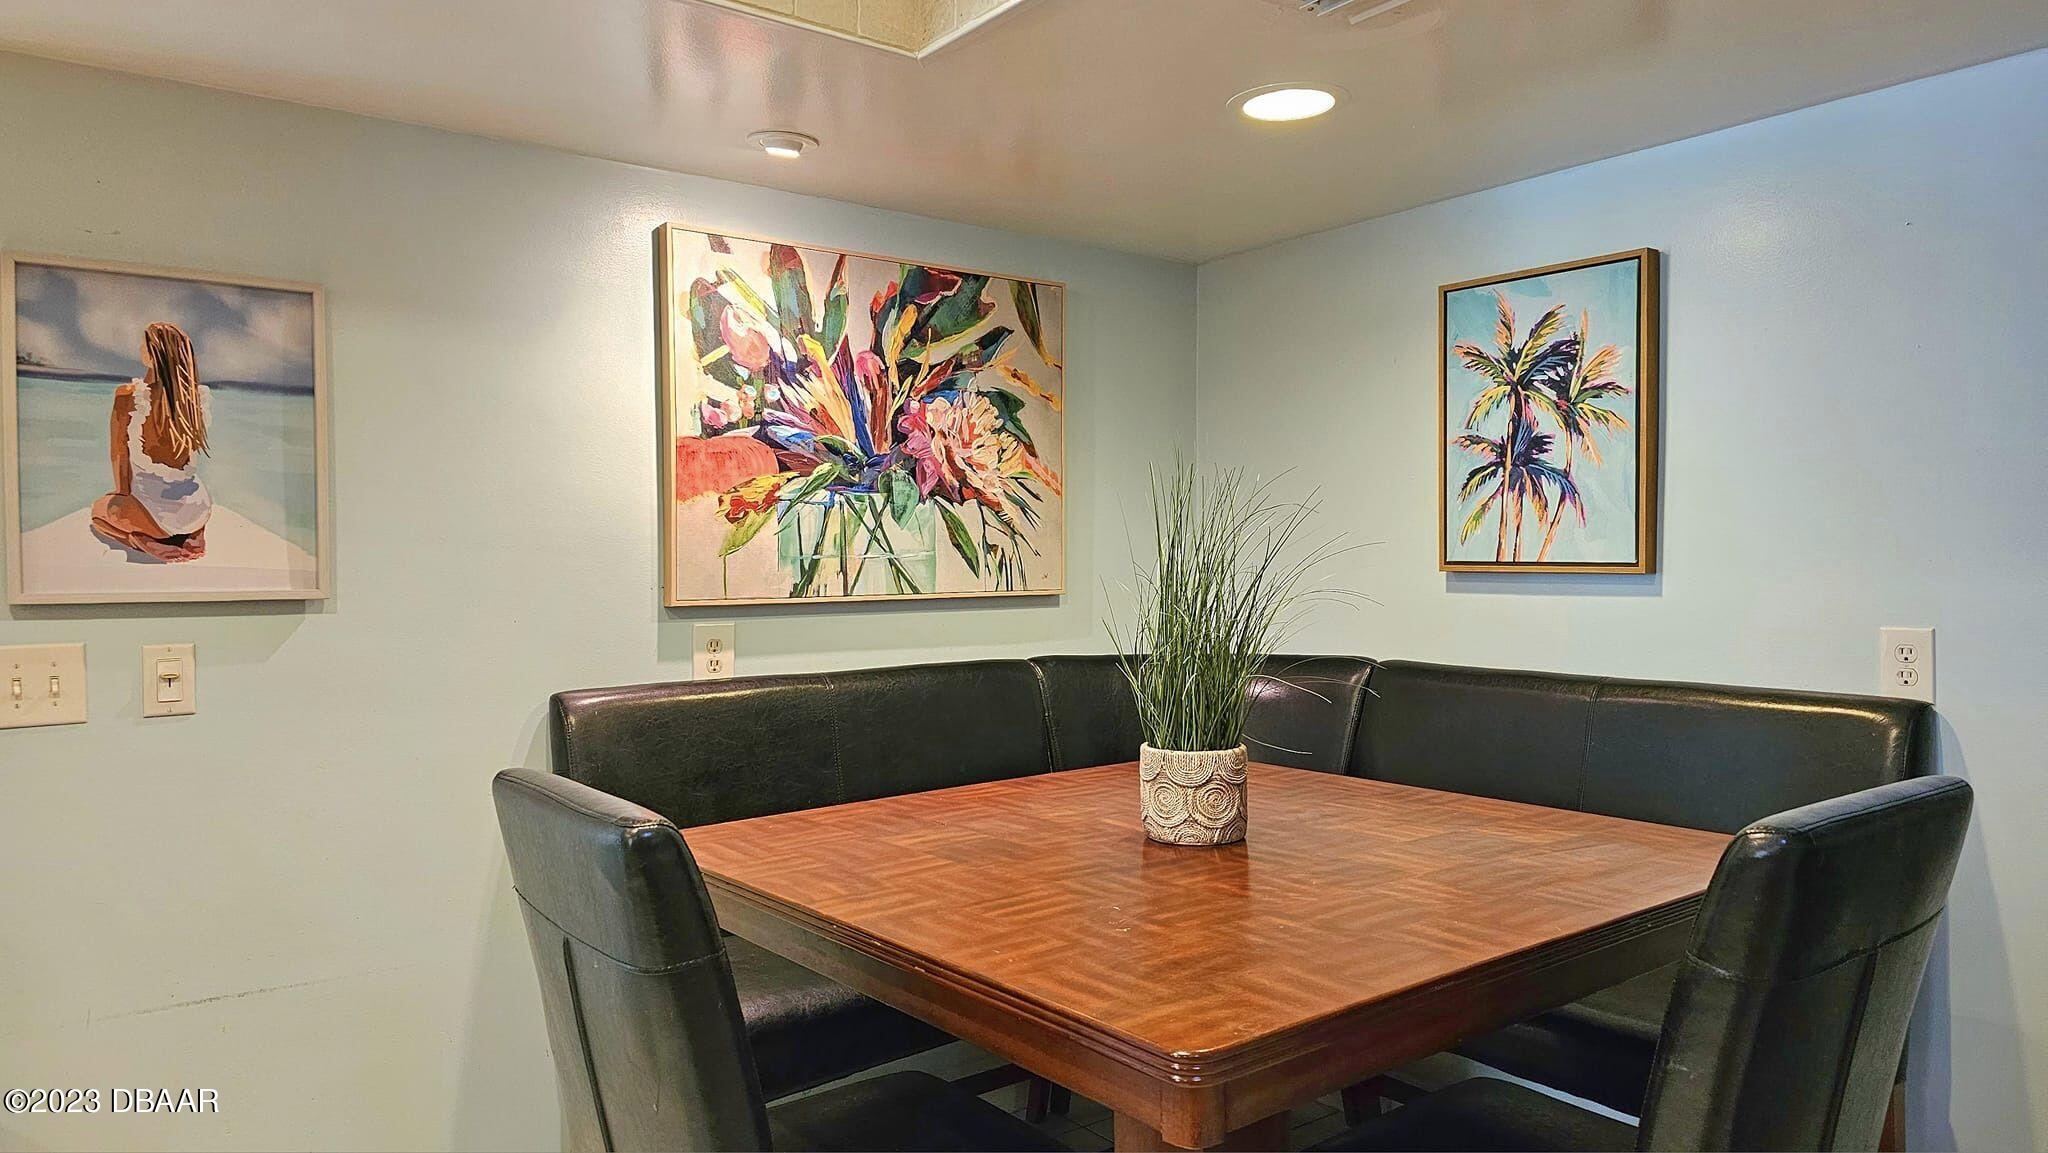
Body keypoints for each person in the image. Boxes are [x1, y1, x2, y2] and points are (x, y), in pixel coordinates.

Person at [90, 322, 212, 561]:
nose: (139, 348)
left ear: (153, 354)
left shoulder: (128, 395)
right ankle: (195, 536)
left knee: (98, 512)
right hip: (198, 509)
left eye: (144, 345)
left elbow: (120, 458)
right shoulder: (194, 399)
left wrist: (122, 498)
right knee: (180, 495)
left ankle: (143, 541)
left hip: (156, 515)